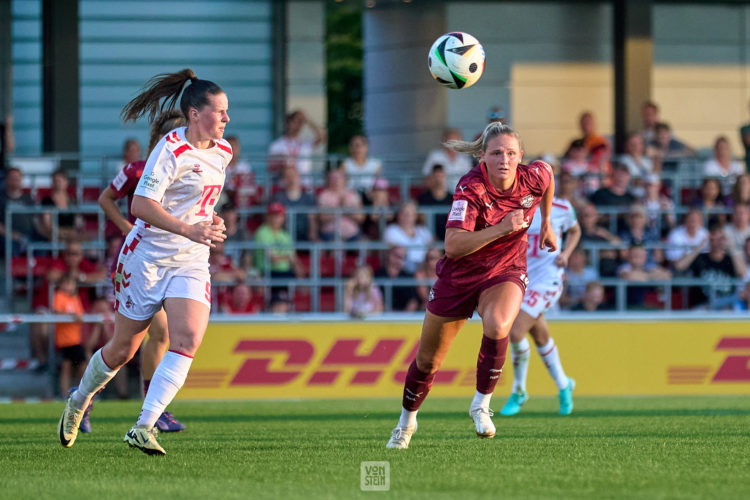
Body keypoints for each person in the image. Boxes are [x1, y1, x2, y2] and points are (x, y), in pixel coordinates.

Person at [58, 68, 231, 455]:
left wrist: (212, 223)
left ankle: (144, 426)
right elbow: (139, 205)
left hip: (190, 260)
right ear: (194, 114)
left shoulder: (223, 152)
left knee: (186, 338)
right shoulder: (168, 151)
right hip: (147, 259)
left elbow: (201, 204)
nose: (226, 119)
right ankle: (79, 398)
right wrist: (189, 230)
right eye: (220, 112)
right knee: (123, 350)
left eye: (226, 112)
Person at [386, 122, 556, 449]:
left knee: (498, 323)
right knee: (428, 362)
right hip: (459, 277)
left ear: (521, 156)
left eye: (510, 153)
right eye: (496, 153)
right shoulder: (470, 188)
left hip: (505, 269)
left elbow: (548, 174)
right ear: (482, 157)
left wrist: (546, 223)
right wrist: (502, 228)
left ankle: (481, 405)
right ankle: (406, 423)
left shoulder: (532, 176)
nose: (504, 159)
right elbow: (452, 245)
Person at [93, 109, 189, 434]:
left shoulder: (182, 171)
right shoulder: (138, 170)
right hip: (138, 263)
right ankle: (86, 396)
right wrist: (125, 226)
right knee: (125, 346)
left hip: (165, 261)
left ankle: (154, 409)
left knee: (159, 336)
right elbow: (106, 198)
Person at [500, 195, 580, 417]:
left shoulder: (563, 206)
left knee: (515, 332)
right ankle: (564, 385)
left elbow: (575, 230)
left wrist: (566, 254)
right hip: (521, 279)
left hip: (548, 280)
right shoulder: (514, 206)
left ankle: (519, 391)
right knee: (540, 337)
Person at [674, 222, 746, 309]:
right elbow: (679, 266)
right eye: (714, 238)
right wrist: (699, 247)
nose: (717, 242)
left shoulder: (730, 260)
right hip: (703, 306)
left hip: (726, 307)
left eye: (720, 238)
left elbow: (743, 273)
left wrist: (731, 248)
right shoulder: (701, 258)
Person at [267, 109, 326, 186]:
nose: (297, 125)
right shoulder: (277, 145)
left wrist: (308, 121)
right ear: (287, 124)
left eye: (300, 122)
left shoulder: (305, 143)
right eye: (294, 122)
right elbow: (270, 167)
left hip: (304, 184)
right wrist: (283, 163)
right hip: (284, 186)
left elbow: (322, 138)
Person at [53, 274, 87, 397]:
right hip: (65, 340)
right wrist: (72, 316)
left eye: (71, 284)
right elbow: (56, 312)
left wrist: (75, 316)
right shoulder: (59, 296)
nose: (69, 286)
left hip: (75, 339)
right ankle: (65, 393)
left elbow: (80, 315)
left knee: (80, 366)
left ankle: (82, 393)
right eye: (66, 283)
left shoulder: (75, 298)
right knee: (68, 367)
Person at [383, 200, 434, 273]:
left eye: (410, 214)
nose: (407, 217)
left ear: (415, 216)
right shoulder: (391, 231)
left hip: (424, 270)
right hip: (400, 271)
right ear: (399, 215)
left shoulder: (424, 231)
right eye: (404, 213)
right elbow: (393, 255)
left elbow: (432, 251)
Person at [271, 164, 317, 241]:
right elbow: (275, 222)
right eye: (288, 176)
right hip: (283, 237)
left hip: (305, 236)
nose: (292, 179)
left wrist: (313, 236)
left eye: (294, 175)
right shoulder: (278, 198)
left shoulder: (308, 198)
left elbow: (312, 221)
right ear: (284, 180)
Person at [36, 169, 84, 242]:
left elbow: (79, 223)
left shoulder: (73, 201)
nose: (58, 183)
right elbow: (47, 225)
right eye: (55, 181)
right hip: (55, 237)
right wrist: (64, 233)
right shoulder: (47, 201)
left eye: (60, 181)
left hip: (72, 237)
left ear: (66, 182)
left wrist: (72, 233)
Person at [0, 166, 36, 256]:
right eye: (12, 178)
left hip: (29, 236)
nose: (15, 180)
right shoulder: (1, 199)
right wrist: (12, 235)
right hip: (8, 237)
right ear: (6, 180)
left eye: (17, 178)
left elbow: (36, 221)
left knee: (43, 244)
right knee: (9, 245)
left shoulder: (29, 199)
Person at [374, 245, 420, 312]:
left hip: (403, 318)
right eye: (397, 256)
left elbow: (413, 302)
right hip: (382, 317)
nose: (399, 259)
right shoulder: (377, 275)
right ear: (389, 255)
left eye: (402, 257)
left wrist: (403, 318)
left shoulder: (408, 277)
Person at [417, 164, 452, 241]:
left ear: (445, 178)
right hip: (430, 239)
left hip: (449, 238)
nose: (438, 180)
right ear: (431, 178)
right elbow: (423, 221)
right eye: (436, 177)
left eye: (441, 177)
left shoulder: (453, 198)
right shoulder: (423, 198)